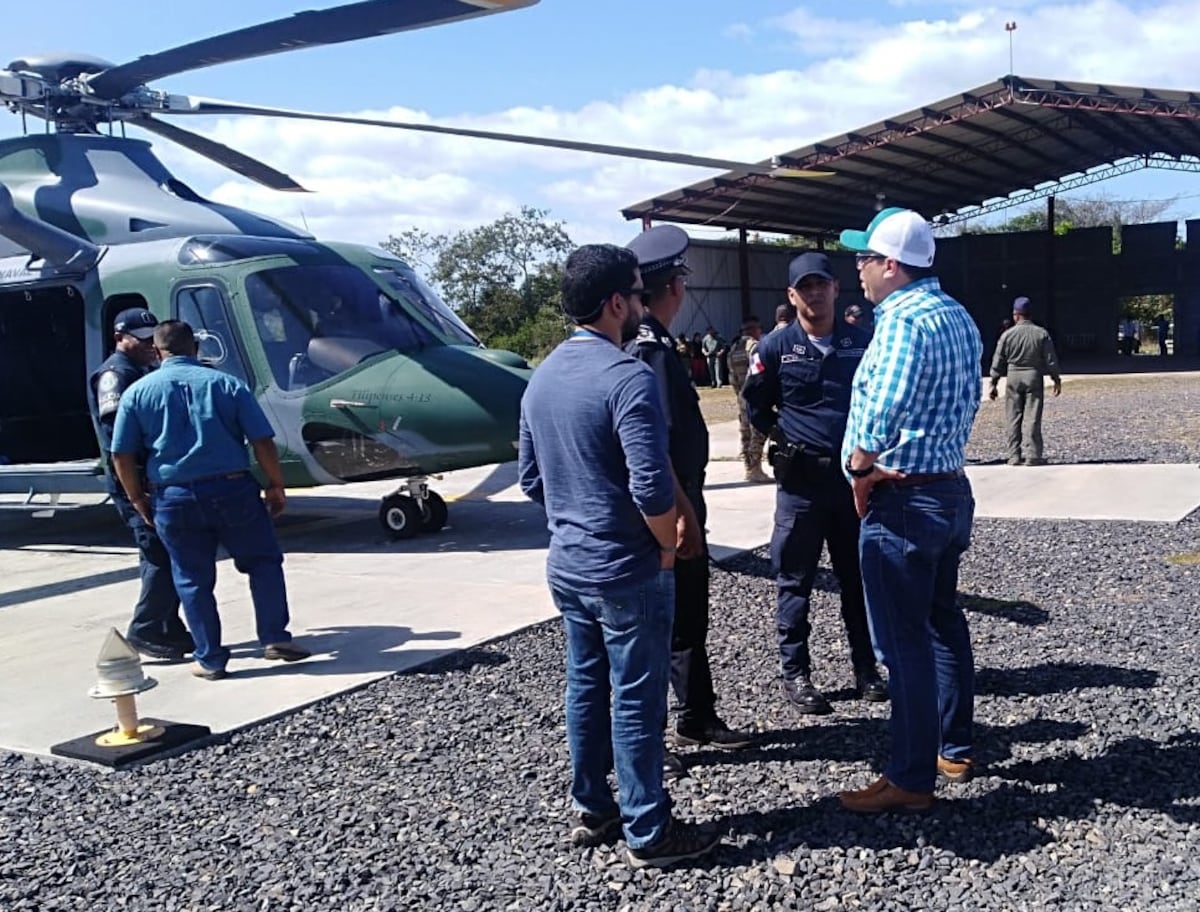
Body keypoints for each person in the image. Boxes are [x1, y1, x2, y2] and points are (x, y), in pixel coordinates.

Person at [517, 243, 719, 869]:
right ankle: (648, 829)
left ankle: (594, 805)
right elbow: (651, 486)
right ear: (614, 304)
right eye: (635, 294)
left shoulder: (540, 378)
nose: (642, 304)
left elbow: (530, 480)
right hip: (627, 569)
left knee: (586, 685)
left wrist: (579, 511)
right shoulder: (626, 375)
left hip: (569, 565)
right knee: (636, 696)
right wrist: (665, 546)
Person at [837, 208, 983, 813]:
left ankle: (910, 777)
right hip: (948, 487)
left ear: (891, 265)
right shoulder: (958, 316)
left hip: (905, 499)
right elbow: (967, 398)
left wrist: (861, 467)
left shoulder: (900, 323)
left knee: (903, 645)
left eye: (865, 259)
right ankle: (955, 746)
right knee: (943, 622)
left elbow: (884, 405)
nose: (860, 271)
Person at [110, 320, 311, 681]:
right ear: (196, 349)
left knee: (191, 579)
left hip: (172, 497)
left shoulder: (137, 393)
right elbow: (261, 440)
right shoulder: (227, 384)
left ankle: (211, 659)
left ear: (157, 352)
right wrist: (276, 484)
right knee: (263, 563)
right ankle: (275, 637)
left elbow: (121, 455)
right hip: (233, 490)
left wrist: (136, 498)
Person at [626, 225, 754, 761]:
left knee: (687, 614)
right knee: (669, 620)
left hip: (676, 500)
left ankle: (696, 716)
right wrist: (681, 515)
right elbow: (655, 443)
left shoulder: (648, 343)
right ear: (676, 285)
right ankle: (658, 735)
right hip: (671, 505)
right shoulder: (652, 350)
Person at [741, 252, 887, 714]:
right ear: (791, 295)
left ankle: (865, 669)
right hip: (801, 487)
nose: (814, 293)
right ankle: (796, 673)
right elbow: (754, 405)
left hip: (850, 485)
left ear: (835, 289)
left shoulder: (863, 342)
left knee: (857, 581)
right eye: (805, 287)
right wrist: (785, 439)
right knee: (794, 581)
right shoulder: (775, 348)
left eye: (821, 284)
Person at [87, 308, 191, 662]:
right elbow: (120, 439)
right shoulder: (115, 376)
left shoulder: (142, 369)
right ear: (120, 337)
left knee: (166, 554)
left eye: (153, 339)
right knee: (159, 555)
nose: (150, 345)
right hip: (135, 482)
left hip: (152, 480)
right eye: (142, 339)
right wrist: (138, 489)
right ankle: (146, 629)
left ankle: (166, 624)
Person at [988, 296, 1062, 466]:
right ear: (1030, 314)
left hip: (1013, 376)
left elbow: (998, 359)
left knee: (1013, 417)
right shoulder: (1041, 333)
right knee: (1032, 416)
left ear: (1016, 315)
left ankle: (1014, 455)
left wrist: (994, 382)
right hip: (1033, 375)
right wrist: (1056, 378)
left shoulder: (1007, 335)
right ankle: (1033, 455)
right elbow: (1050, 359)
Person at [726, 314, 771, 484]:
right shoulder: (753, 347)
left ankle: (748, 467)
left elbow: (732, 377)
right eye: (759, 328)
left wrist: (739, 394)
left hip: (741, 397)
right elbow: (759, 373)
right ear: (754, 329)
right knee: (757, 433)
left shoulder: (733, 348)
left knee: (745, 433)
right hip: (754, 397)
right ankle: (755, 468)